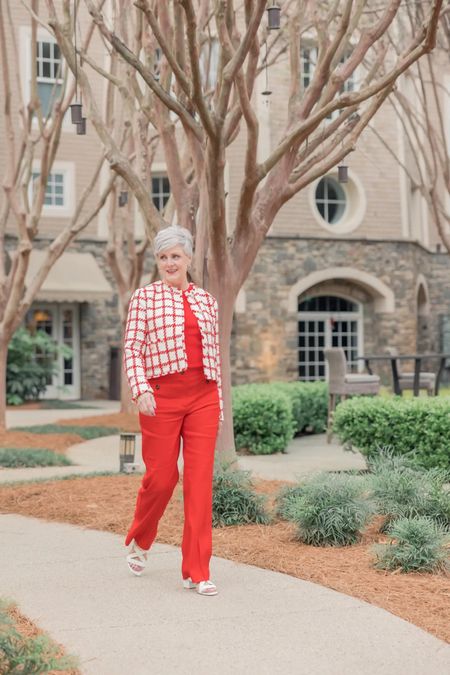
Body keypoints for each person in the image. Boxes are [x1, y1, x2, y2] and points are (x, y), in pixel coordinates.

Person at [123, 225, 223, 596]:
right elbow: (132, 348)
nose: (169, 263)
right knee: (162, 479)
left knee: (199, 484)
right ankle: (141, 538)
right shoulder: (144, 298)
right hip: (160, 398)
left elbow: (215, 355)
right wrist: (141, 389)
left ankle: (197, 570)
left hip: (203, 397)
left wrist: (220, 404)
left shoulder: (207, 301)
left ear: (189, 258)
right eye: (163, 257)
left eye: (175, 256)